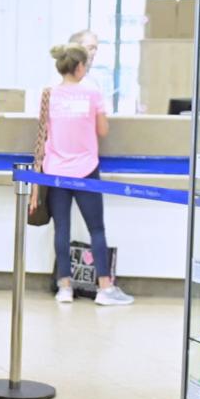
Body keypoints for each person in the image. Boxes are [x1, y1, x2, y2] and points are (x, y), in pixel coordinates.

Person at [31, 43, 133, 306]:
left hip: (55, 172)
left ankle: (64, 287)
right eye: (85, 65)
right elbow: (102, 130)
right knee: (96, 229)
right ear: (78, 67)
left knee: (61, 229)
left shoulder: (49, 94)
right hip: (86, 169)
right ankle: (104, 289)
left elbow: (43, 131)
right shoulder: (92, 93)